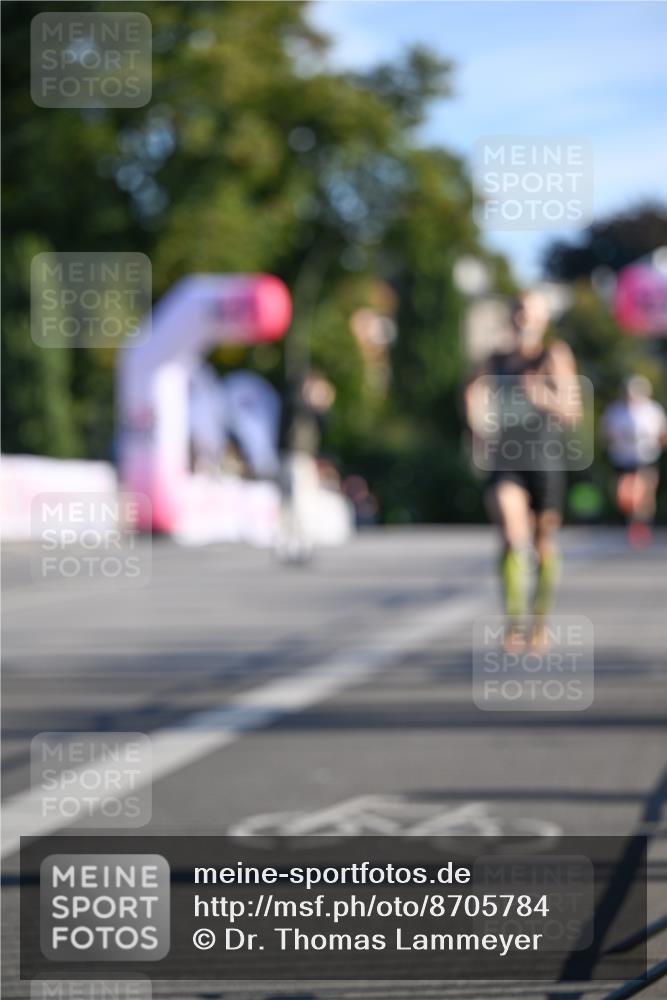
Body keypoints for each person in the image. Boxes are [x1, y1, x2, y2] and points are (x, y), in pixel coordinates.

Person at [465, 291, 582, 651]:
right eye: (518, 310)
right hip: (508, 457)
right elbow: (472, 391)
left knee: (543, 543)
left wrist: (541, 397)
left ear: (543, 319)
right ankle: (514, 624)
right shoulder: (496, 358)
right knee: (510, 531)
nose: (523, 317)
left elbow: (571, 412)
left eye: (531, 312)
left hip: (545, 458)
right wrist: (478, 428)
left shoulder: (553, 355)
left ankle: (539, 624)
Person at [276, 370, 335, 563]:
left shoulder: (308, 409)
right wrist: (312, 399)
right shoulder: (294, 401)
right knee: (294, 502)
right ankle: (291, 543)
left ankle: (299, 543)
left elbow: (324, 425)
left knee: (298, 501)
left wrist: (322, 405)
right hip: (293, 457)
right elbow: (296, 407)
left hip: (303, 457)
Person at [601, 375, 667, 546]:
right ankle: (631, 520)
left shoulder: (653, 410)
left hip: (646, 458)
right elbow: (605, 433)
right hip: (622, 459)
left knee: (644, 493)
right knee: (624, 495)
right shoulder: (615, 411)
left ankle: (640, 527)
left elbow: (662, 434)